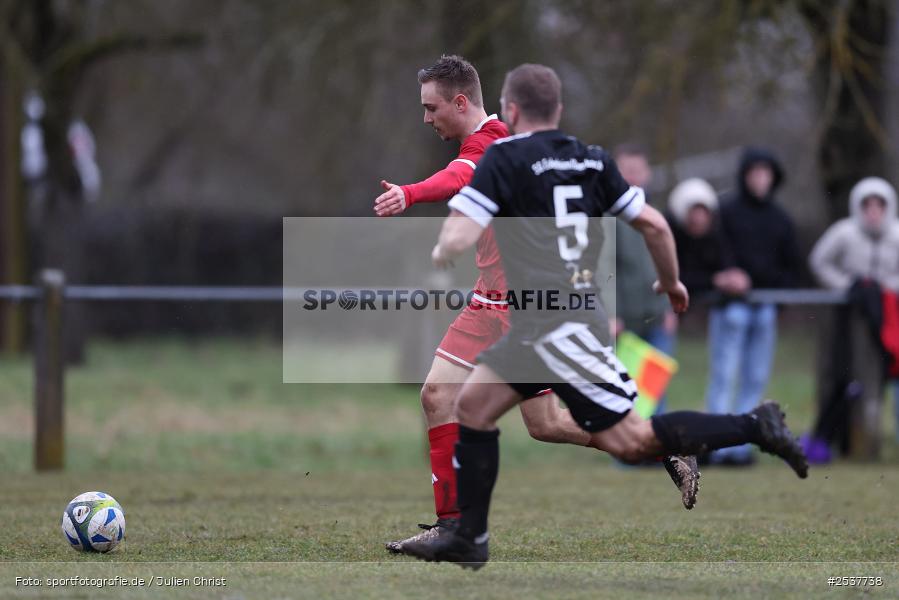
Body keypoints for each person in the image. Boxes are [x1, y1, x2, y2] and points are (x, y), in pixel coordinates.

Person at [402, 63, 808, 569]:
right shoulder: (592, 161)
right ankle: (462, 532)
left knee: (631, 439)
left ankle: (754, 424)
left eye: (429, 107)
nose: (426, 117)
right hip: (541, 313)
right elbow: (657, 226)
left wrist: (446, 238)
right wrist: (674, 283)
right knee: (472, 408)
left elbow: (463, 198)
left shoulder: (502, 155)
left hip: (550, 320)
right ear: (561, 111)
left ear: (509, 111)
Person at [373, 56, 700, 554]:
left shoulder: (493, 140)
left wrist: (410, 194)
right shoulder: (489, 140)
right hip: (489, 297)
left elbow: (458, 177)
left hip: (520, 304)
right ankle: (452, 524)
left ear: (461, 103)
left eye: (430, 107)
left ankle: (662, 442)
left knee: (542, 423)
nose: (426, 118)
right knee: (441, 396)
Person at [706, 148, 800, 465]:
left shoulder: (781, 220)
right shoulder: (726, 213)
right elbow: (715, 255)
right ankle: (715, 444)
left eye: (766, 173)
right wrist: (729, 277)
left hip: (764, 309)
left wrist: (769, 289)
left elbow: (793, 267)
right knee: (724, 375)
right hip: (731, 308)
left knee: (755, 378)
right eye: (754, 173)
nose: (760, 179)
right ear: (745, 176)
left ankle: (739, 447)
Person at [806, 177, 899, 461]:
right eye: (867, 205)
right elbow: (819, 261)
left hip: (889, 319)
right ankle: (844, 442)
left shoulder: (896, 235)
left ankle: (874, 442)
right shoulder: (843, 233)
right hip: (848, 319)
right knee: (846, 376)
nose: (873, 211)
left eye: (878, 205)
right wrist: (846, 286)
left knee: (883, 376)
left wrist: (886, 288)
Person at [612, 145, 676, 413]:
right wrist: (610, 314)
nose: (633, 177)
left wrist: (670, 307)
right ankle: (626, 453)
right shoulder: (608, 218)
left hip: (657, 317)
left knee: (655, 391)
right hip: (624, 322)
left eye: (638, 171)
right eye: (627, 171)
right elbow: (602, 269)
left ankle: (655, 450)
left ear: (648, 173)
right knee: (624, 390)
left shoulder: (657, 215)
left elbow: (668, 263)